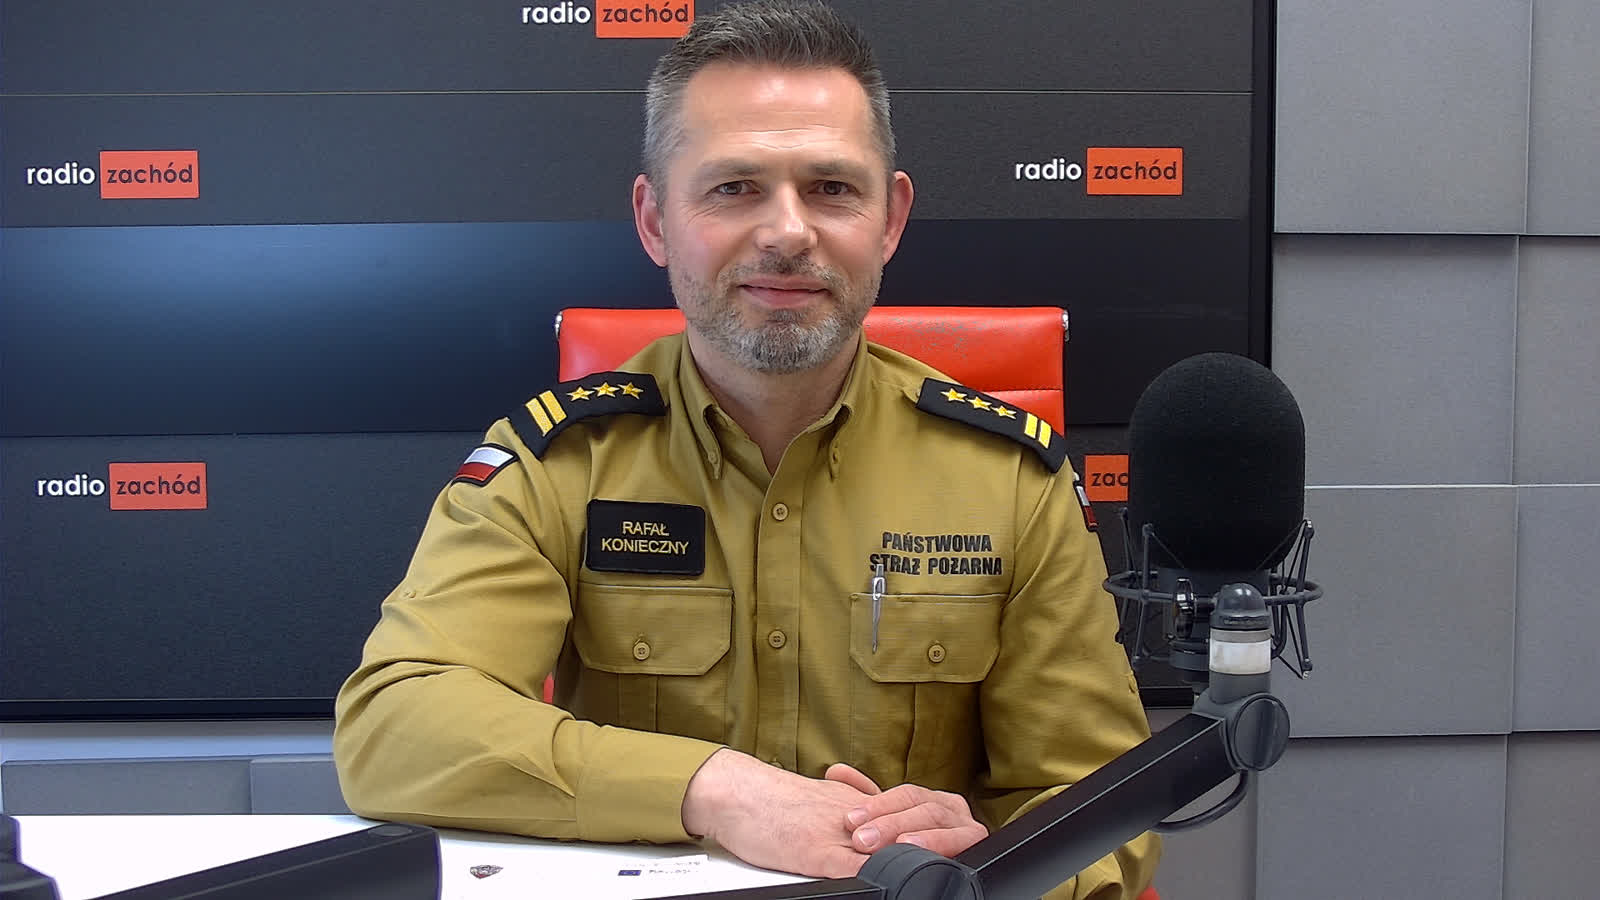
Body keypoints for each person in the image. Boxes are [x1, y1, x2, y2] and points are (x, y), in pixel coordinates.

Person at [333, 2, 1159, 896]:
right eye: (734, 188)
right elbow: (393, 726)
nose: (788, 232)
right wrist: (711, 789)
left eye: (832, 188)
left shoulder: (1011, 483)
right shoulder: (560, 463)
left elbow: (1107, 812)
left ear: (890, 219)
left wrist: (989, 859)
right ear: (655, 219)